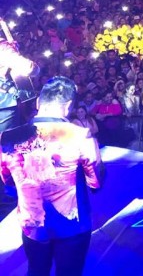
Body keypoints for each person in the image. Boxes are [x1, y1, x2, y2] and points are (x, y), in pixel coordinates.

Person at [0, 76, 105, 276]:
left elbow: (8, 181)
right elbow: (96, 182)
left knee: (36, 270)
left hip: (32, 223)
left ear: (39, 102)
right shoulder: (80, 135)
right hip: (72, 224)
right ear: (67, 107)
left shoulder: (7, 137)